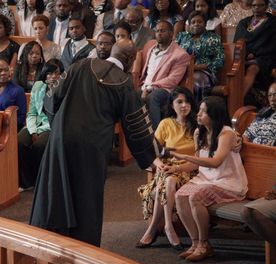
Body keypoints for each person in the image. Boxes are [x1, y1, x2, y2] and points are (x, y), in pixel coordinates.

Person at [30, 39, 160, 246]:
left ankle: (47, 243)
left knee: (55, 187)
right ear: (130, 59)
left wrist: (58, 128)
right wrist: (151, 157)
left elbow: (51, 98)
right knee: (86, 195)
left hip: (61, 141)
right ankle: (82, 248)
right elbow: (136, 124)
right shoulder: (124, 83)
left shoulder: (79, 66)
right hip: (93, 148)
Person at [173, 96, 248, 262]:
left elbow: (215, 162)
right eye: (199, 110)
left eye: (203, 111)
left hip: (228, 182)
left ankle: (204, 244)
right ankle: (194, 243)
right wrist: (175, 167)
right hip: (206, 179)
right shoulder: (199, 132)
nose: (198, 114)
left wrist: (186, 157)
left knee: (195, 197)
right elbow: (196, 164)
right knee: (179, 196)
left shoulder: (226, 133)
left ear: (215, 115)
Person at [136, 87, 197, 250]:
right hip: (167, 169)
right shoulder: (166, 123)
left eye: (187, 102)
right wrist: (159, 164)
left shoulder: (197, 125)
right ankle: (168, 226)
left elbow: (200, 157)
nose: (184, 105)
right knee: (168, 179)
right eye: (179, 102)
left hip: (190, 170)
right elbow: (153, 152)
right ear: (172, 105)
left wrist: (177, 168)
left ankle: (155, 228)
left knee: (168, 179)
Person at [18, 59, 63, 189]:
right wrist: (32, 131)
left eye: (57, 73)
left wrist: (41, 131)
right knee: (19, 142)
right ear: (44, 74)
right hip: (35, 124)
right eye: (49, 73)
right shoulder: (38, 86)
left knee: (39, 145)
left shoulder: (64, 89)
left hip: (52, 126)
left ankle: (40, 180)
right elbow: (31, 113)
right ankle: (26, 182)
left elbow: (57, 117)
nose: (53, 76)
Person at [140, 21, 190, 130]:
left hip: (166, 90)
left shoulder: (180, 55)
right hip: (145, 86)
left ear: (171, 33)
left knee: (153, 97)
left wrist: (150, 87)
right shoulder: (151, 49)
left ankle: (156, 136)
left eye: (163, 31)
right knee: (129, 95)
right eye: (157, 31)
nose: (159, 33)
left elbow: (173, 80)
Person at [234, 0, 276, 107]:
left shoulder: (272, 23)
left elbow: (271, 44)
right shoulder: (244, 22)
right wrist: (247, 53)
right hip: (244, 55)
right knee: (235, 67)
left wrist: (254, 53)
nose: (256, 8)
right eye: (254, 5)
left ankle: (236, 102)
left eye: (260, 5)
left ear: (266, 6)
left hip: (266, 56)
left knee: (253, 68)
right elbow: (238, 41)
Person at [176, 12, 224, 102]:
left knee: (194, 82)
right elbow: (173, 54)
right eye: (193, 22)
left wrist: (199, 67)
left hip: (204, 72)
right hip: (181, 70)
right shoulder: (182, 37)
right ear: (189, 25)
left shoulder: (213, 38)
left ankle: (196, 111)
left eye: (199, 22)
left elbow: (219, 60)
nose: (196, 24)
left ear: (205, 24)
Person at [0, 55, 27, 129]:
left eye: (6, 70)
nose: (3, 73)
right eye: (0, 70)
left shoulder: (18, 90)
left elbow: (21, 117)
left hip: (11, 128)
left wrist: (3, 124)